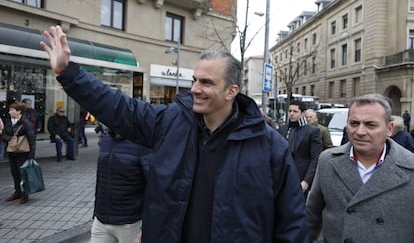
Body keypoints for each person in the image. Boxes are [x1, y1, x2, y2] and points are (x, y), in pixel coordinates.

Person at [40, 25, 308, 242]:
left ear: (231, 91)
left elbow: (292, 222)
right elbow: (120, 108)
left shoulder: (268, 145)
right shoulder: (171, 122)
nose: (195, 88)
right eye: (194, 80)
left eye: (206, 82)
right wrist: (69, 73)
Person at [307, 94, 414, 242]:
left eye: (370, 125)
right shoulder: (328, 161)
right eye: (354, 123)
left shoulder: (410, 167)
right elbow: (311, 216)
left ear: (389, 128)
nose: (360, 131)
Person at [91, 132, 152, 243]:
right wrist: (96, 213)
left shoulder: (142, 144)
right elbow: (100, 180)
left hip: (130, 224)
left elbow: (153, 187)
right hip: (101, 222)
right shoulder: (105, 140)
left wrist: (147, 227)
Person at [277, 100, 322, 195]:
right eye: (290, 111)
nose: (291, 114)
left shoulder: (312, 132)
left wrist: (306, 181)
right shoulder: (282, 129)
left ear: (303, 113)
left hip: (301, 179)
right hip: (282, 178)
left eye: (295, 111)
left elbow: (315, 158)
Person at [3, 102, 36, 204]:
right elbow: (4, 134)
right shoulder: (9, 121)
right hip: (12, 151)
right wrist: (9, 139)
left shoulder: (26, 122)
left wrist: (31, 156)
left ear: (19, 111)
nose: (9, 112)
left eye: (12, 110)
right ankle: (17, 192)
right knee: (14, 173)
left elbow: (32, 139)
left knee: (23, 174)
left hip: (23, 153)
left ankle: (25, 194)